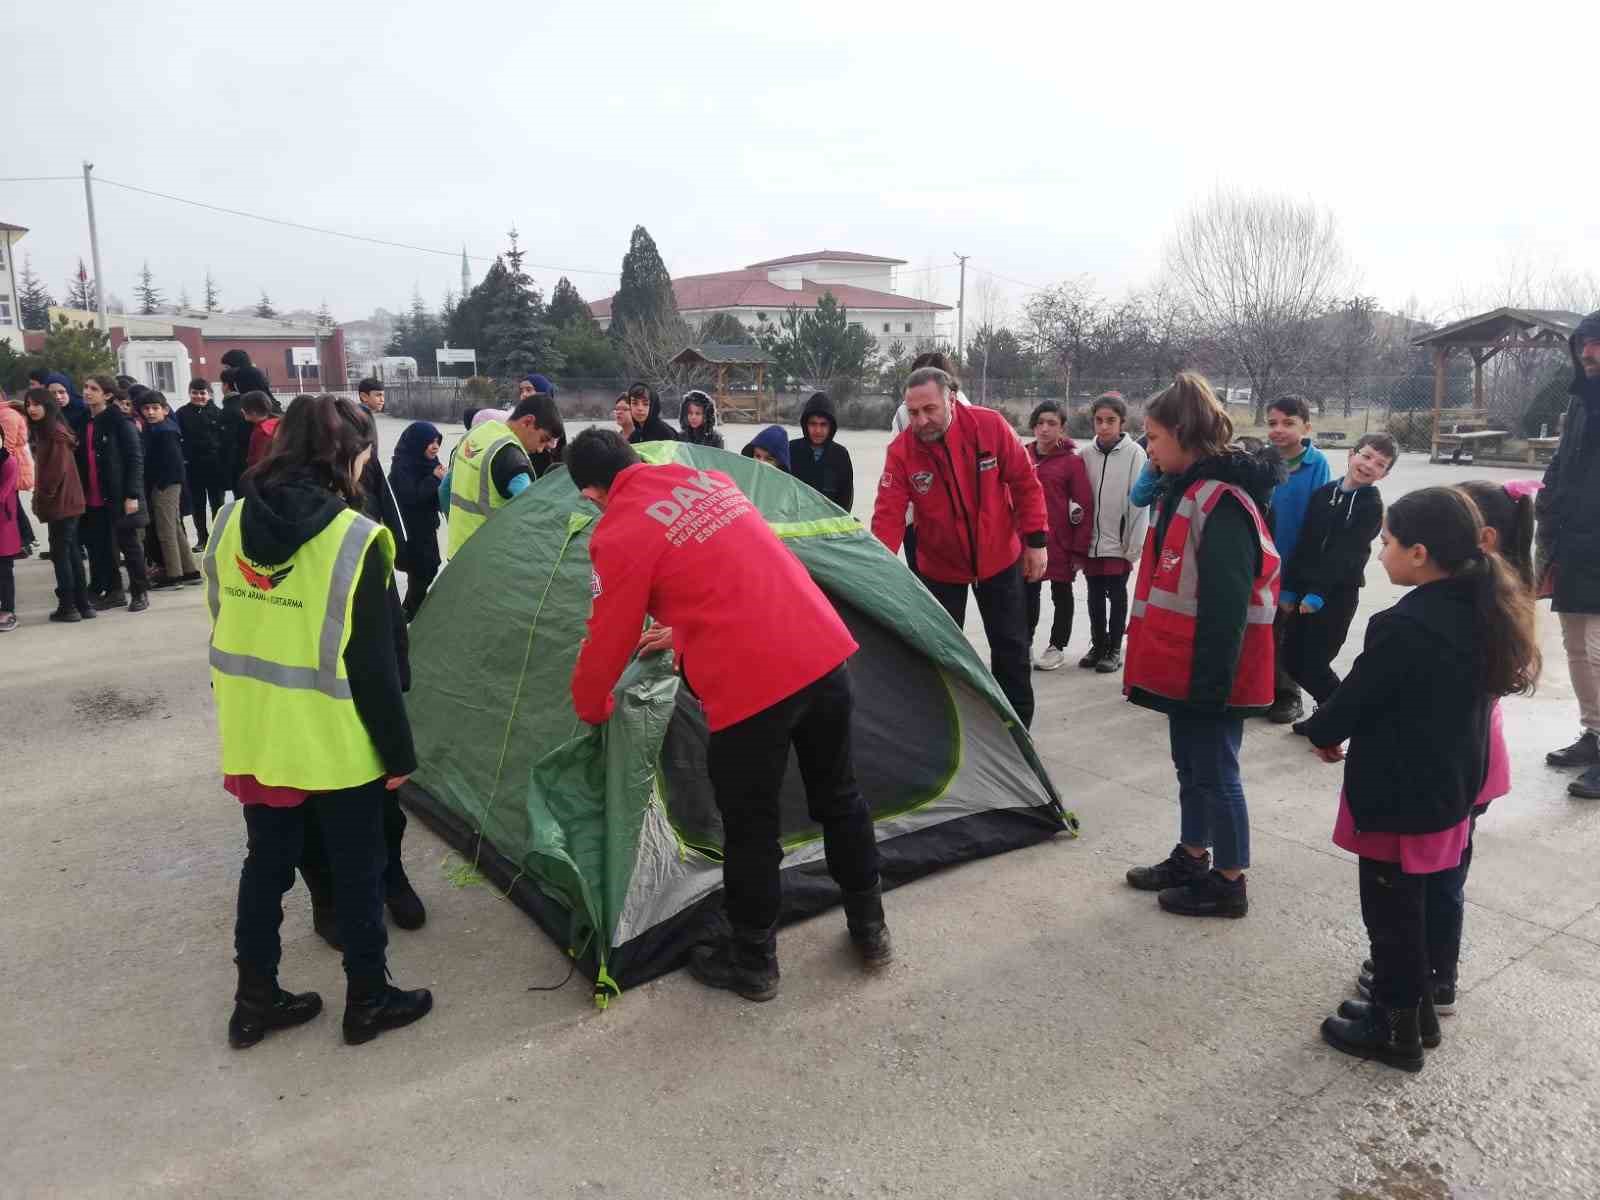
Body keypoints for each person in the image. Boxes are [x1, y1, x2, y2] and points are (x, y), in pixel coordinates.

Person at [567, 428, 890, 1002]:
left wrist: (592, 706)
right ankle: (870, 928)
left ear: (592, 494)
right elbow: (729, 568)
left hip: (754, 688)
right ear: (634, 457)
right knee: (840, 796)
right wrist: (685, 623)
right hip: (822, 654)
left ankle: (753, 960)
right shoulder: (708, 480)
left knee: (751, 828)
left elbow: (606, 641)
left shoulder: (618, 532)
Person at [205, 393, 432, 1048]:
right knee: (358, 874)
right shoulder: (355, 539)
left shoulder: (228, 524)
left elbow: (226, 622)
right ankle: (368, 999)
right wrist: (398, 756)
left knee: (265, 868)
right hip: (337, 744)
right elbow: (375, 667)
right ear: (346, 455)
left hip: (257, 735)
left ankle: (254, 1002)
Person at [1305, 487, 1539, 1072]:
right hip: (1451, 790)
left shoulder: (1404, 624)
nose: (1379, 554)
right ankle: (1417, 1014)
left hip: (1399, 796)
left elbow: (1352, 700)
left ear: (1419, 553)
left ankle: (1393, 1029)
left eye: (1386, 543)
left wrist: (1324, 729)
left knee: (1390, 918)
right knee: (1412, 910)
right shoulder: (1486, 607)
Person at [1122, 372, 1282, 918]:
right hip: (1184, 670)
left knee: (1217, 771)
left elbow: (1226, 607)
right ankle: (1193, 856)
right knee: (1190, 765)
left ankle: (1229, 880)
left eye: (1156, 438)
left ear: (1185, 435)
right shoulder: (1183, 490)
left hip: (1213, 674)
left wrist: (1213, 686)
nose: (1149, 447)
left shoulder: (1223, 503)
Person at [871, 367, 1048, 728]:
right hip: (940, 567)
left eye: (929, 409)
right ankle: (947, 731)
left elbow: (1026, 484)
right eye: (913, 412)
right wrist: (876, 572)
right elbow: (887, 514)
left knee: (1011, 650)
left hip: (1000, 558)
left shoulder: (990, 427)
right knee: (940, 655)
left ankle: (1017, 731)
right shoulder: (902, 451)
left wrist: (1037, 542)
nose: (920, 421)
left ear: (951, 399)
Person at [1279, 433, 1397, 727]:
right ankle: (1333, 715)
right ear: (1352, 454)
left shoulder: (1370, 504)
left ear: (1384, 474)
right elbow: (1305, 543)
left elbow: (1349, 553)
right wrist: (1291, 588)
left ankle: (1339, 720)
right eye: (1366, 456)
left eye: (1380, 464)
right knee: (1291, 658)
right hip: (1304, 589)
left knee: (1316, 664)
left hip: (1336, 595)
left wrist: (1318, 593)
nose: (1370, 465)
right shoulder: (1323, 494)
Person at [1536, 310, 1600, 799]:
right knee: (1576, 648)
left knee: (1599, 653)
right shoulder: (1581, 400)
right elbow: (1561, 460)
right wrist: (1547, 503)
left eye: (1597, 344)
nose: (1589, 353)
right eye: (1583, 344)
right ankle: (1594, 734)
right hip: (1574, 544)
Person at [1262, 395, 1332, 724]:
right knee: (1261, 629)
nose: (1279, 430)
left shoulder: (1317, 465)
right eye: (1273, 423)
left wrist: (1303, 579)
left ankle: (1289, 695)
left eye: (1288, 423)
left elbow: (1318, 523)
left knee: (1287, 635)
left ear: (1307, 427)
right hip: (1261, 563)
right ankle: (1258, 690)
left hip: (1295, 564)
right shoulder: (1261, 462)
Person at [1079, 393, 1149, 673]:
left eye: (1111, 421)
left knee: (1117, 594)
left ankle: (1115, 649)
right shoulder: (1085, 454)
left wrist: (1133, 544)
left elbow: (1139, 504)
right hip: (1092, 541)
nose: (1104, 427)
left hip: (1118, 541)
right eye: (1099, 420)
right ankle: (1098, 644)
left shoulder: (1136, 454)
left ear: (1122, 422)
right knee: (1094, 595)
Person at [444, 392, 562, 558]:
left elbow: (444, 489)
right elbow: (533, 519)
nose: (541, 448)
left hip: (457, 553)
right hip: (488, 561)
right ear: (528, 422)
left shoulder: (476, 432)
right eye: (543, 439)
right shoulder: (513, 461)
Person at [1024, 401, 1091, 672]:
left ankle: (1056, 647)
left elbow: (1084, 506)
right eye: (1040, 423)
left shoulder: (1073, 463)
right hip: (1029, 541)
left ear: (1063, 428)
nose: (1045, 428)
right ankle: (1023, 642)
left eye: (1052, 423)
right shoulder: (1023, 455)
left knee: (1061, 594)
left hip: (1061, 543)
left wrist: (1078, 550)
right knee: (1027, 595)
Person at [890, 352, 970, 575]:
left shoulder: (975, 417)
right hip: (920, 519)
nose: (922, 419)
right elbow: (895, 480)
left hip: (958, 522)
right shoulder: (904, 413)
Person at [80, 375, 151, 613]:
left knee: (129, 545)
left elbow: (135, 459)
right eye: (86, 388)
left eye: (94, 389)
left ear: (108, 395)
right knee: (103, 547)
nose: (87, 392)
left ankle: (140, 592)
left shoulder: (121, 422)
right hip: (93, 496)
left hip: (119, 494)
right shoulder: (85, 422)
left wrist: (132, 494)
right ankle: (114, 592)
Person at [24, 387, 94, 621]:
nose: (32, 409)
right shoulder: (50, 431)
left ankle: (69, 606)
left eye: (37, 404)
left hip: (61, 502)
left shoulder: (54, 433)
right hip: (67, 501)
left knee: (62, 554)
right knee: (71, 552)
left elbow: (53, 474)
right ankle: (83, 604)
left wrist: (41, 499)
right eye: (28, 405)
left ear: (48, 406)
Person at [137, 391, 202, 588]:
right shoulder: (158, 428)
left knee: (165, 531)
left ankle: (174, 575)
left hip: (166, 485)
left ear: (165, 410)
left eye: (155, 408)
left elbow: (174, 463)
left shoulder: (164, 431)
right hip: (166, 484)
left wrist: (161, 485)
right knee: (174, 527)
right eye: (146, 409)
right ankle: (190, 571)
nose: (150, 412)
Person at [389, 421, 445, 621]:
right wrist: (434, 478)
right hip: (411, 531)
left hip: (426, 528)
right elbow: (411, 497)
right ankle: (409, 612)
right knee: (423, 569)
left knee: (429, 567)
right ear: (416, 443)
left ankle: (410, 609)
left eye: (437, 441)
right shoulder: (402, 468)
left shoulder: (428, 463)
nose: (435, 446)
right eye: (429, 442)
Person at [177, 378, 229, 551]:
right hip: (193, 467)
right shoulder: (182, 413)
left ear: (209, 394)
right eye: (195, 393)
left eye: (202, 393)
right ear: (189, 393)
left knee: (218, 505)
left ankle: (217, 538)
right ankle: (202, 539)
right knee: (197, 505)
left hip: (215, 467)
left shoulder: (219, 413)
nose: (199, 396)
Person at [789, 392, 854, 512]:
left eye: (823, 425)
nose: (818, 430)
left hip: (829, 527)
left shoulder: (840, 455)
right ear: (805, 425)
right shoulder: (791, 450)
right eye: (813, 424)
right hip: (796, 526)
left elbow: (846, 500)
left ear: (831, 427)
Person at [0, 390, 36, 557]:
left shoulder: (6, 415)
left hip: (9, 467)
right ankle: (25, 540)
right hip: (11, 465)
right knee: (13, 506)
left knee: (11, 506)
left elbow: (6, 446)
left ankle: (24, 541)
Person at [0, 444, 18, 631]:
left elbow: (4, 493)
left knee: (4, 570)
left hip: (3, 524)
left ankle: (8, 609)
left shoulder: (9, 461)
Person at [241, 392, 280, 468]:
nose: (242, 410)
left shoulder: (261, 432)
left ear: (254, 413)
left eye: (244, 408)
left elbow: (258, 461)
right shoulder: (276, 424)